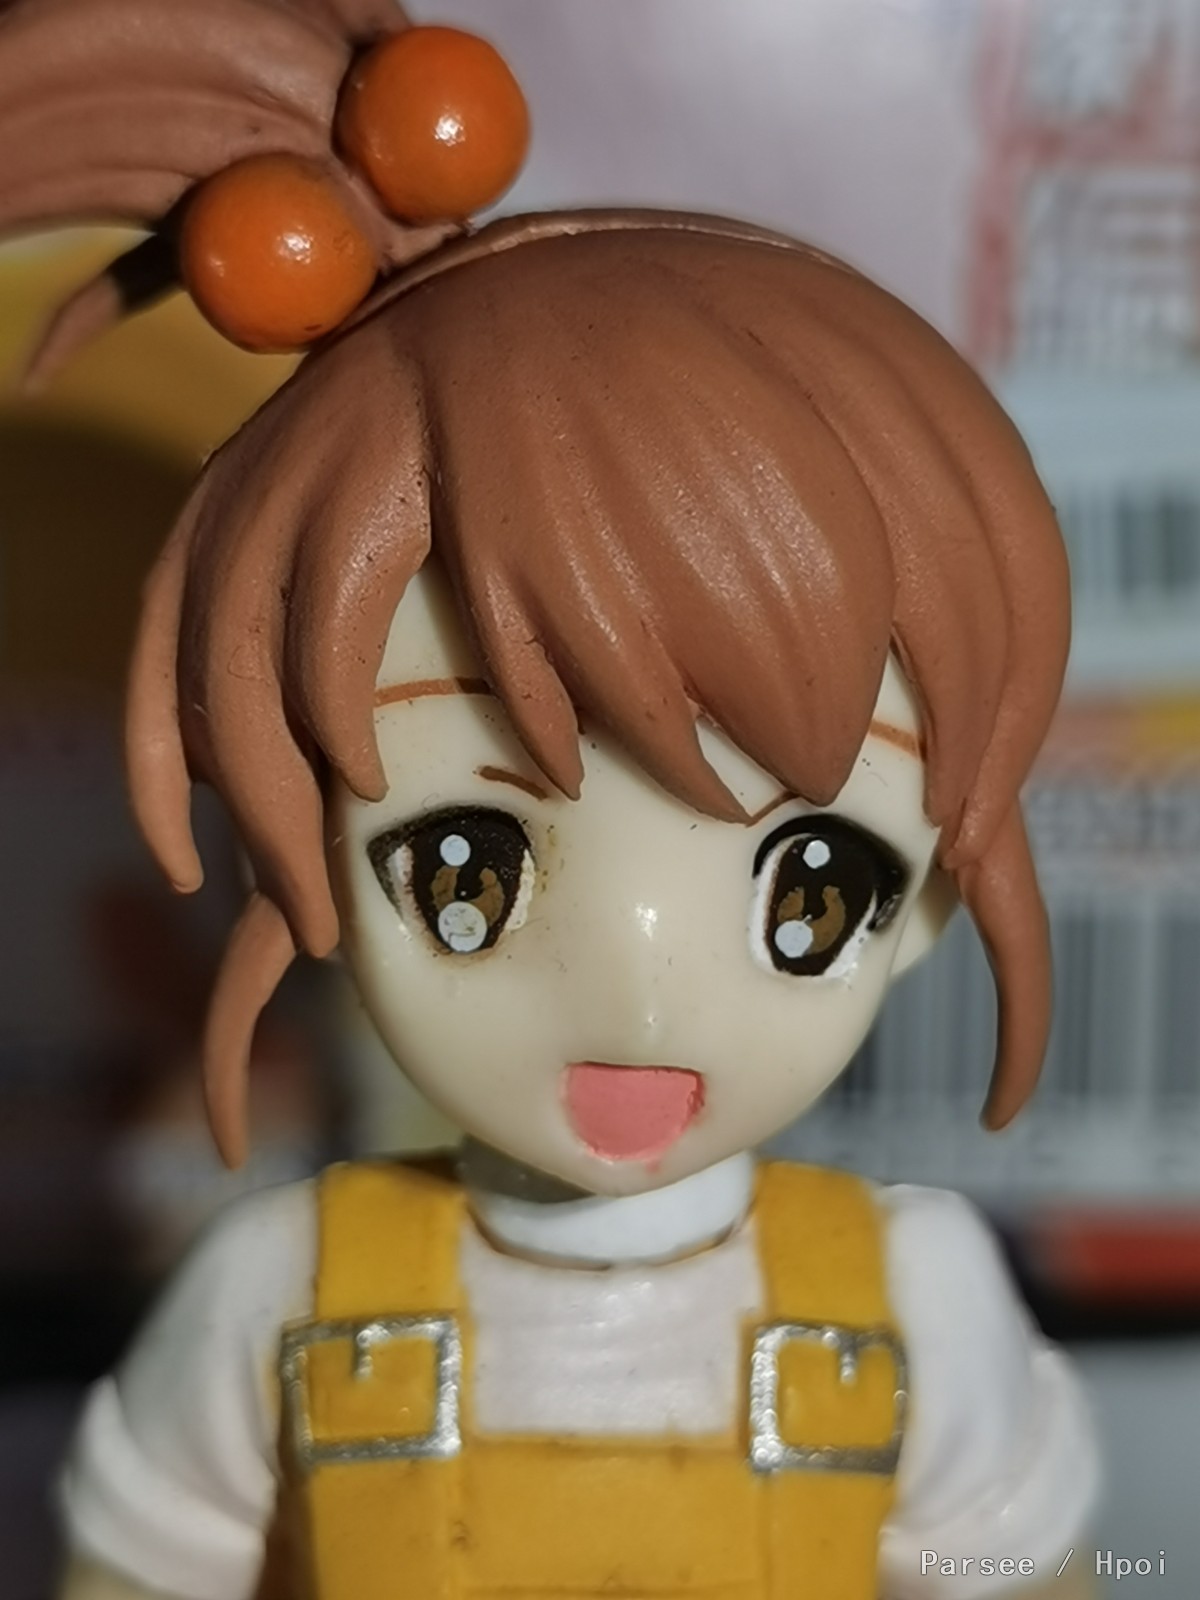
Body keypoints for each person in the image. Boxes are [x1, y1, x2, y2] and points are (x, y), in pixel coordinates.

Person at [0, 2, 1096, 1597]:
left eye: (810, 889)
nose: (637, 995)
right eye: (467, 866)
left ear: (925, 903)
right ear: (310, 848)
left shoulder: (913, 1304)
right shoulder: (280, 1297)